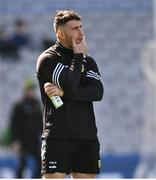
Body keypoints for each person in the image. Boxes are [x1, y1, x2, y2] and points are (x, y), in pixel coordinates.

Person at [36, 10, 104, 179]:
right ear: (60, 33)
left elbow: (97, 92)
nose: (81, 32)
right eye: (74, 28)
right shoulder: (48, 58)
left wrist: (64, 92)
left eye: (81, 27)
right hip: (58, 137)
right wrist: (78, 55)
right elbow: (70, 84)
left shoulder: (89, 62)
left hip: (86, 137)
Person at [10, 78, 42, 178]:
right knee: (21, 165)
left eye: (33, 89)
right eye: (30, 89)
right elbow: (14, 124)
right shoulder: (19, 105)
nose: (32, 91)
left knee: (40, 164)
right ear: (26, 90)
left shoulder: (37, 104)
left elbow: (40, 122)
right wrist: (15, 141)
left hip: (34, 140)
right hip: (22, 141)